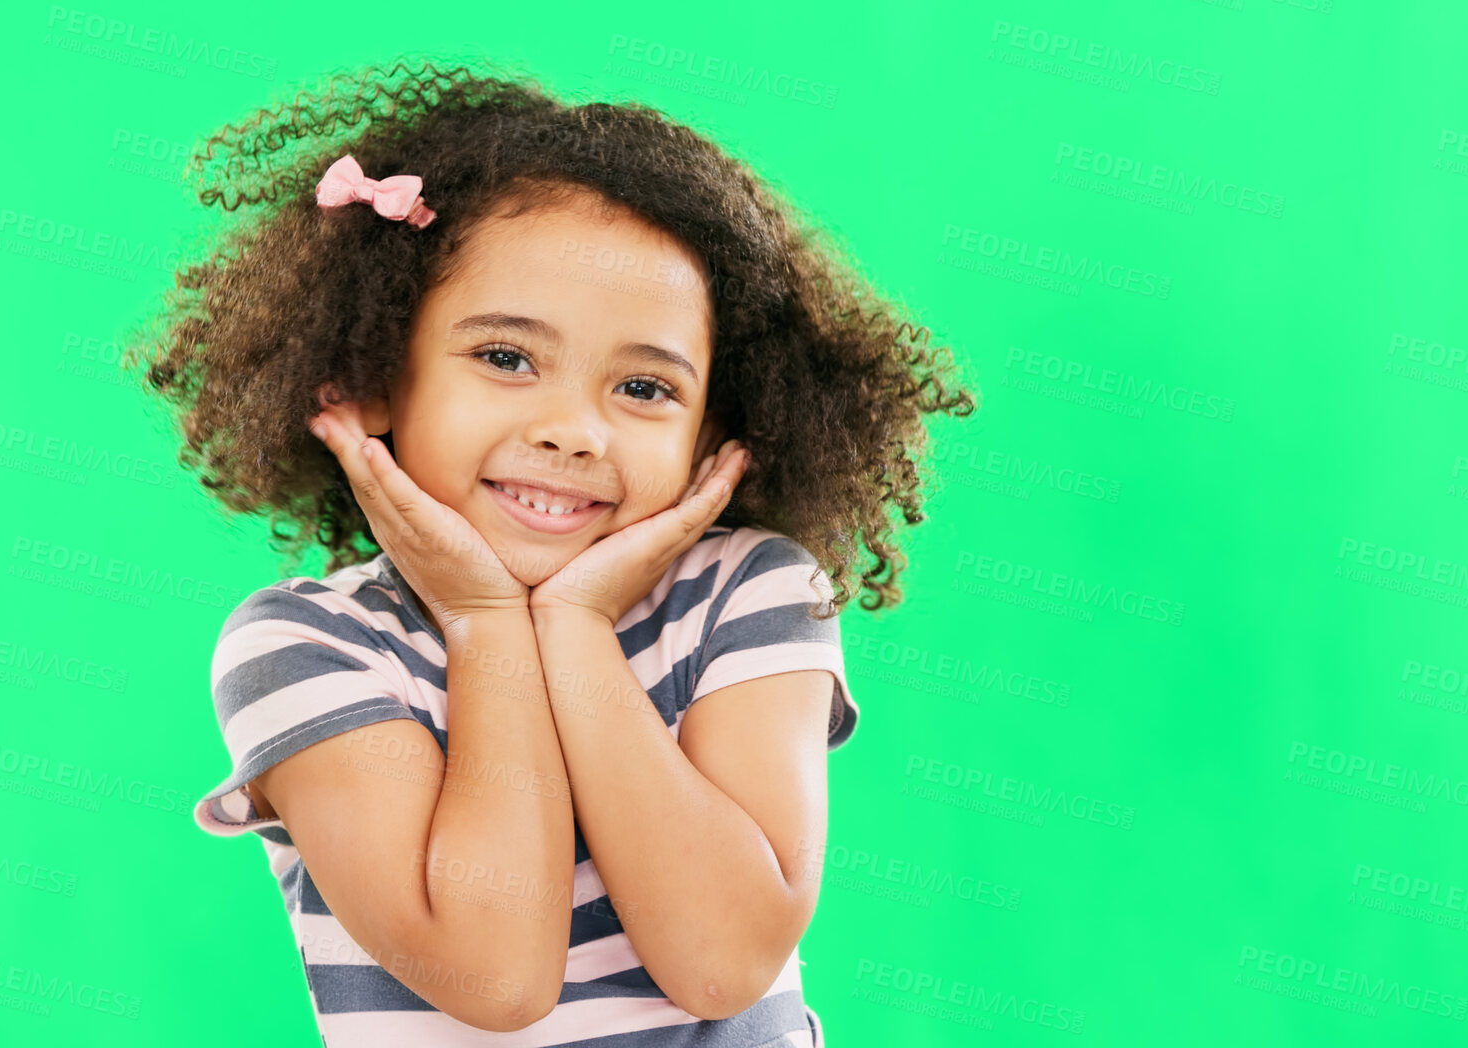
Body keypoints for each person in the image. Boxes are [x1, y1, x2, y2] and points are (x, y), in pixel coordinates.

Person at [125, 58, 978, 1047]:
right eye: (505, 358)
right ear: (377, 374)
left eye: (645, 389)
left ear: (712, 430)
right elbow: (493, 973)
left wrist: (572, 631)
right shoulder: (309, 645)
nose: (574, 429)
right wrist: (487, 624)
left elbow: (721, 961)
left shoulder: (747, 593)